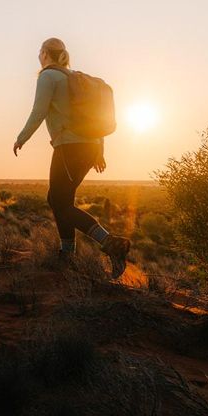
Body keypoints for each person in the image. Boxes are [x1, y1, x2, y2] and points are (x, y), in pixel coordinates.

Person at [13, 38, 131, 278]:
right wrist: (99, 150)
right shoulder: (74, 78)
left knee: (58, 201)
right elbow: (91, 118)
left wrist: (22, 137)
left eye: (40, 51)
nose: (39, 55)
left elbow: (39, 110)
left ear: (45, 54)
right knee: (60, 200)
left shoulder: (48, 76)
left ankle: (111, 244)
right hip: (88, 147)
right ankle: (67, 254)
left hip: (70, 147)